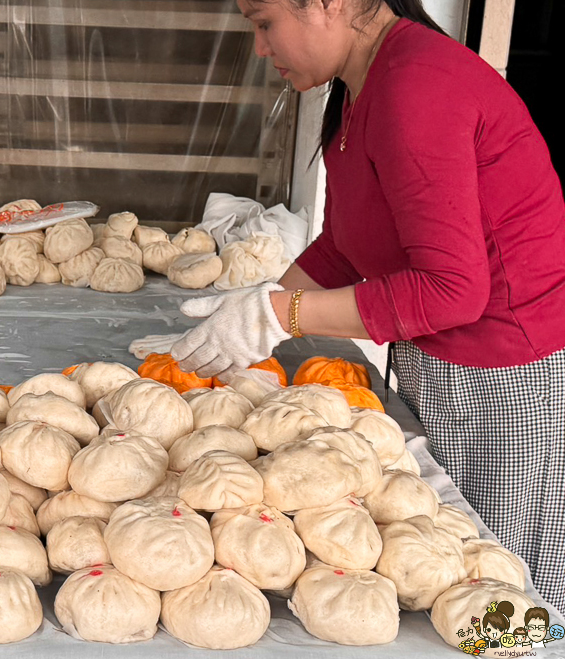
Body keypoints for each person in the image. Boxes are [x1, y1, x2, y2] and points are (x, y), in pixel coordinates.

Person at [169, 0, 565, 612]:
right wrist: (253, 305)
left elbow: (452, 290)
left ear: (330, 3)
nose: (260, 48)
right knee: (438, 565)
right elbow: (350, 240)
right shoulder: (364, 84)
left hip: (508, 380)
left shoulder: (418, 86)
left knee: (496, 588)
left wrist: (282, 316)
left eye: (263, 22)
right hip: (442, 361)